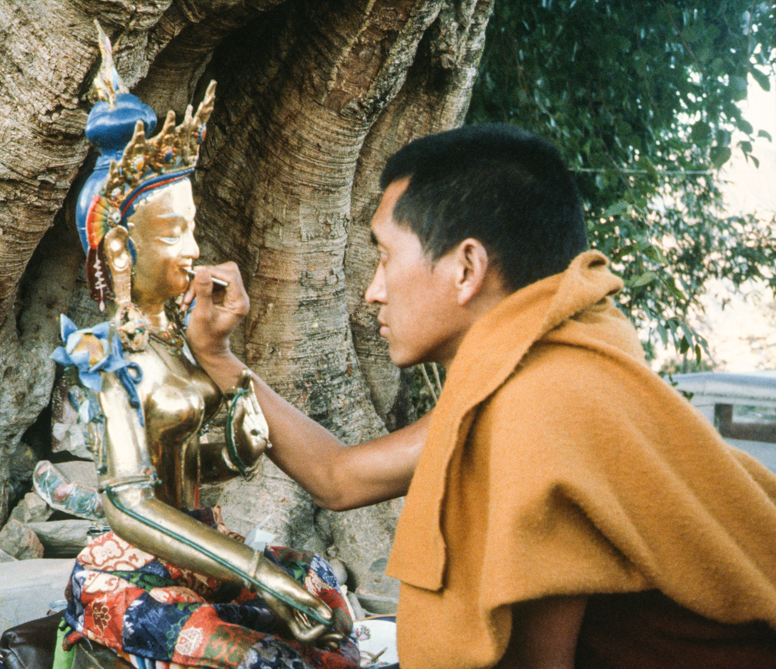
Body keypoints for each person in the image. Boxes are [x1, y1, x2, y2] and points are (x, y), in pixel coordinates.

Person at [183, 123, 776, 668]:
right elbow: (341, 477)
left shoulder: (543, 408)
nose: (373, 292)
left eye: (386, 258)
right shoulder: (530, 375)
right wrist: (217, 357)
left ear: (466, 268)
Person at [40, 22, 355, 669]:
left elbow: (182, 461)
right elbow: (129, 502)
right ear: (123, 247)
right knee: (261, 657)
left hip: (199, 547)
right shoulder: (108, 358)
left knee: (322, 585)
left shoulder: (173, 341)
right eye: (177, 231)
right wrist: (260, 574)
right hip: (133, 568)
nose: (192, 248)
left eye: (192, 227)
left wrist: (233, 444)